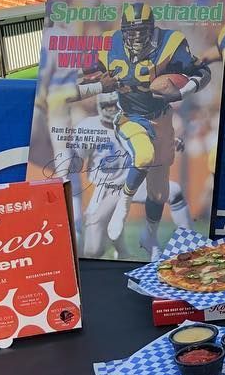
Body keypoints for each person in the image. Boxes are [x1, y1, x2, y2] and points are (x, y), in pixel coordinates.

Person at [74, 2, 221, 256]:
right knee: (143, 156)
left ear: (152, 29)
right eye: (131, 32)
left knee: (159, 193)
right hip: (129, 119)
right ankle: (123, 207)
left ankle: (150, 235)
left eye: (142, 31)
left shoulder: (170, 43)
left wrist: (181, 91)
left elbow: (202, 72)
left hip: (161, 118)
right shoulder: (107, 45)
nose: (136, 37)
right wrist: (96, 84)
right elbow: (75, 79)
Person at [73, 93, 192, 259]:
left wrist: (171, 142)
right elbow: (74, 163)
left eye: (114, 104)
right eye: (107, 105)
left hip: (133, 183)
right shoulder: (88, 126)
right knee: (94, 251)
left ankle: (187, 241)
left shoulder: (133, 122)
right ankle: (116, 245)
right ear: (99, 105)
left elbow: (154, 140)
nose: (111, 109)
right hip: (106, 190)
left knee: (174, 191)